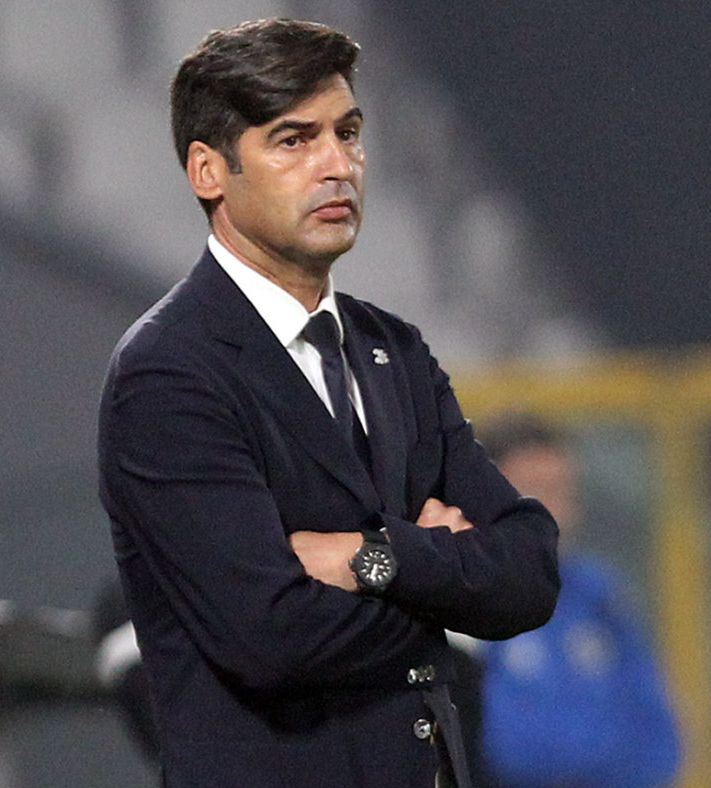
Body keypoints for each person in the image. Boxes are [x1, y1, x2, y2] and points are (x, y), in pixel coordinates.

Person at [96, 18, 561, 788]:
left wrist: (367, 557)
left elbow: (530, 570)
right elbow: (271, 636)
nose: (338, 165)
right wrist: (443, 579)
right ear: (209, 171)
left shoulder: (395, 352)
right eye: (294, 140)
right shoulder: (169, 373)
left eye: (347, 133)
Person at [474, 414, 681, 788]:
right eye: (532, 490)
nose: (551, 509)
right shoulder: (462, 603)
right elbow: (493, 746)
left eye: (561, 490)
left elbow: (659, 735)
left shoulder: (600, 597)